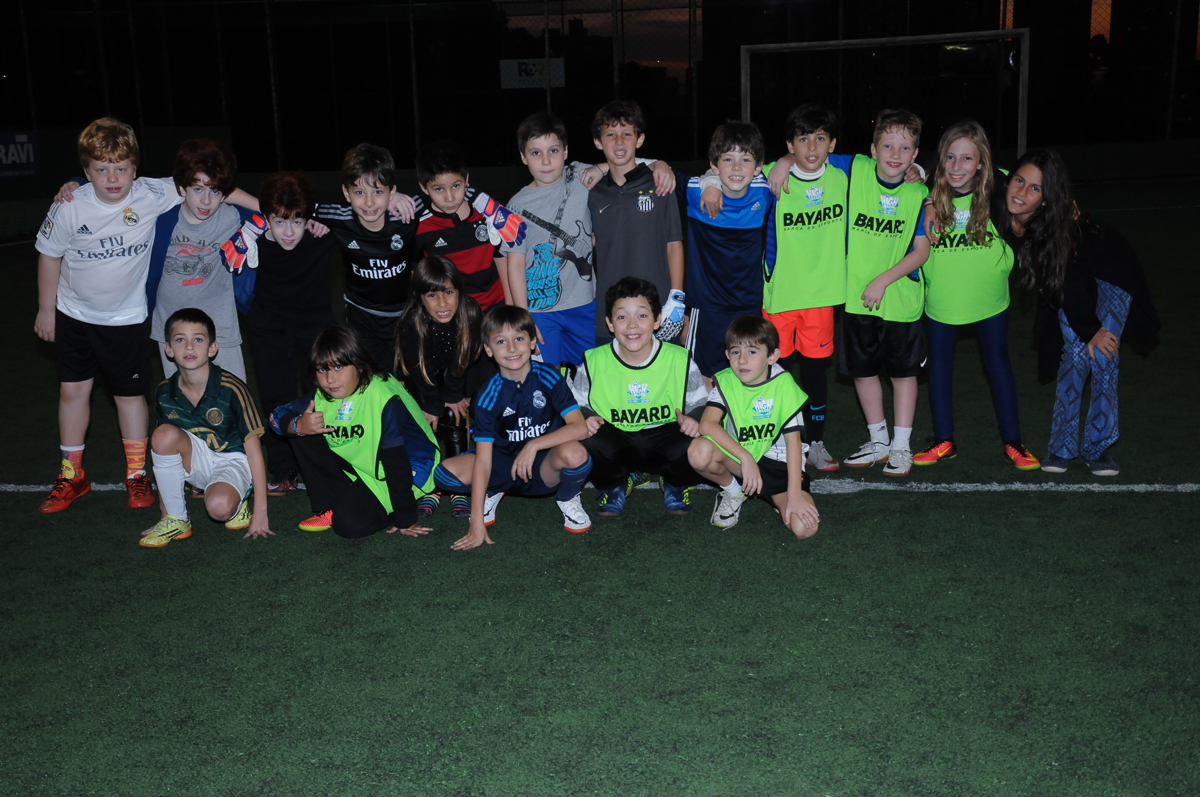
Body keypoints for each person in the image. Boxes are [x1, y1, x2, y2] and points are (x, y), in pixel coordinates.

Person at [35, 118, 187, 514]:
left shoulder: (151, 192)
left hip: (126, 319)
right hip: (74, 316)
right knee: (72, 391)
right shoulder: (69, 205)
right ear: (86, 173)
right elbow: (49, 256)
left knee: (129, 397)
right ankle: (72, 474)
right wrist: (46, 310)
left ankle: (137, 474)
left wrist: (265, 208)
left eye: (121, 168)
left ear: (135, 168)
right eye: (101, 169)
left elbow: (207, 183)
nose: (112, 178)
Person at [1001, 149, 1159, 476]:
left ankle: (1097, 448)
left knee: (1102, 353)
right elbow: (970, 174)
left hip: (1111, 274)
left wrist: (1092, 330)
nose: (1021, 191)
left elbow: (1069, 284)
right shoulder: (999, 204)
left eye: (1035, 188)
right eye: (1019, 180)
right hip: (1072, 283)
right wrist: (921, 180)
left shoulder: (1057, 228)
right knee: (1074, 354)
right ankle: (1060, 448)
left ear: (1047, 198)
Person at [914, 121, 1039, 470]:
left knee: (998, 365)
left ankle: (1013, 442)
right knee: (939, 368)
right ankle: (944, 439)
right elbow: (907, 172)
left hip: (990, 301)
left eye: (967, 158)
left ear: (981, 161)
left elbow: (1034, 188)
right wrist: (927, 199)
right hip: (942, 300)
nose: (957, 167)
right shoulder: (929, 190)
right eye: (950, 158)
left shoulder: (1001, 185)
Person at [433, 305, 593, 550]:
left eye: (519, 338)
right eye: (500, 342)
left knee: (576, 452)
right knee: (444, 474)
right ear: (488, 349)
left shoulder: (549, 376)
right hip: (503, 465)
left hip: (542, 469)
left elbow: (579, 427)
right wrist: (477, 523)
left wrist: (533, 445)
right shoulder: (488, 396)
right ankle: (493, 491)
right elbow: (484, 461)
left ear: (532, 343)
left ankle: (568, 498)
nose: (511, 349)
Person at [268, 325, 440, 538]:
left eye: (338, 367)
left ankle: (387, 506)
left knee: (348, 525)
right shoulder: (325, 394)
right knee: (303, 426)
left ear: (359, 365)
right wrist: (297, 425)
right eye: (322, 369)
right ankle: (330, 505)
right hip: (365, 464)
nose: (330, 378)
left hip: (408, 468)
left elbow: (395, 459)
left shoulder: (382, 395)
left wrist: (404, 517)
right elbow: (276, 416)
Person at [839, 109, 931, 478]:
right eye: (888, 145)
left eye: (905, 148)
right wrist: (780, 165)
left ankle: (901, 446)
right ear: (872, 150)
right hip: (856, 297)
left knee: (902, 374)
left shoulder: (920, 192)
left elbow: (921, 251)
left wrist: (883, 280)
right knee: (863, 372)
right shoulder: (855, 170)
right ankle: (878, 441)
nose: (895, 153)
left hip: (899, 301)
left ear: (915, 154)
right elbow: (807, 154)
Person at [568, 277, 709, 517]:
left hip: (666, 438)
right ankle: (614, 484)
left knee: (700, 441)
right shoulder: (593, 360)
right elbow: (574, 404)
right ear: (609, 324)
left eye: (642, 316)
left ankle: (674, 482)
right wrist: (586, 415)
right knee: (584, 438)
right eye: (622, 317)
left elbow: (701, 402)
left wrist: (694, 418)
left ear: (657, 321)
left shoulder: (679, 358)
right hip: (616, 439)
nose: (632, 325)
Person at [141, 308, 272, 547]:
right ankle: (176, 519)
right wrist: (164, 513)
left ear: (213, 348)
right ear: (168, 349)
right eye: (180, 340)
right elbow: (162, 455)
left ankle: (238, 501)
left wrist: (261, 513)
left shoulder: (232, 389)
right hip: (198, 461)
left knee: (219, 509)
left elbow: (254, 452)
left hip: (234, 460)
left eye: (198, 340)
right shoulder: (164, 392)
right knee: (161, 436)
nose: (189, 347)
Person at [246, 171, 337, 495]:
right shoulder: (252, 239)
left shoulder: (322, 236)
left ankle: (328, 461)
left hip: (314, 323)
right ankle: (283, 469)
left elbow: (364, 208)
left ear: (308, 218)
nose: (288, 231)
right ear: (265, 217)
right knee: (276, 395)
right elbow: (224, 192)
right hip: (268, 325)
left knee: (323, 392)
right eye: (279, 221)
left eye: (297, 222)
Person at [687, 315, 819, 538]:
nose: (742, 360)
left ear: (772, 356)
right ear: (727, 355)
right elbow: (707, 424)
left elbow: (793, 442)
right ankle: (734, 492)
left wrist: (795, 495)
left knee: (804, 529)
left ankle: (781, 498)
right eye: (736, 352)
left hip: (779, 468)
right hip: (739, 462)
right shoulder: (727, 381)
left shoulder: (783, 384)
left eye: (752, 351)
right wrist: (746, 457)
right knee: (698, 451)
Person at [676, 122, 775, 394]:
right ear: (715, 165)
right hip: (708, 305)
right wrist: (707, 180)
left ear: (757, 167)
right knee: (703, 373)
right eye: (728, 159)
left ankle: (743, 429)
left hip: (749, 303)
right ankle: (705, 430)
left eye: (745, 160)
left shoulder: (764, 192)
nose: (736, 168)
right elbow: (657, 170)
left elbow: (798, 163)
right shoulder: (696, 191)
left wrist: (787, 160)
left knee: (749, 369)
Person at [501, 112, 598, 367]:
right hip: (540, 310)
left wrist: (601, 168)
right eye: (535, 153)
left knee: (591, 376)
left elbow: (621, 165)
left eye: (553, 150)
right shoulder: (515, 206)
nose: (546, 160)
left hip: (584, 303)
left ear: (566, 151)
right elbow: (515, 265)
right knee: (546, 379)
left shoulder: (579, 176)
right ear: (523, 157)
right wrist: (524, 318)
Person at [312, 144, 418, 371]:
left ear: (391, 192)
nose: (369, 202)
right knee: (369, 380)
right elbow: (294, 206)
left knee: (409, 380)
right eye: (359, 192)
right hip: (362, 319)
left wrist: (397, 196)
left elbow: (443, 192)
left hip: (404, 317)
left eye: (378, 192)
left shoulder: (407, 214)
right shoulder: (337, 217)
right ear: (346, 193)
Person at [586, 101, 686, 344]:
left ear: (639, 140)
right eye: (610, 134)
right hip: (610, 308)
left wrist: (677, 296)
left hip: (656, 304)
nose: (619, 141)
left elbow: (674, 244)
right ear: (598, 142)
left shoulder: (660, 183)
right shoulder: (590, 191)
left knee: (661, 377)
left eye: (627, 134)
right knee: (611, 379)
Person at [394, 255, 484, 519]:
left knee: (455, 415)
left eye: (448, 292)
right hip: (420, 377)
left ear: (459, 291)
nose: (443, 303)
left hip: (460, 372)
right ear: (420, 298)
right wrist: (431, 404)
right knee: (428, 422)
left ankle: (458, 487)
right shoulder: (413, 321)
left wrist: (459, 396)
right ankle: (430, 487)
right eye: (432, 295)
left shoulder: (471, 312)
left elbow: (468, 358)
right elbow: (417, 369)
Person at [412, 140, 523, 312]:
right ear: (424, 188)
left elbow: (501, 259)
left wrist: (508, 308)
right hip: (454, 315)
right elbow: (418, 277)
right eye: (439, 189)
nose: (449, 197)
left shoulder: (488, 213)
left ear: (466, 180)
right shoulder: (419, 227)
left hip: (495, 308)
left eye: (456, 186)